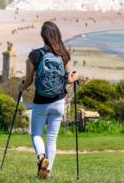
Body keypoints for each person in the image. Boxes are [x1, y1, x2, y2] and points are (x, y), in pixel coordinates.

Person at [19, 21, 79, 179]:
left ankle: (41, 157)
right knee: (52, 138)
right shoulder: (64, 54)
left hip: (40, 101)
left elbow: (29, 81)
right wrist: (75, 77)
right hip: (59, 101)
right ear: (57, 35)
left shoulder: (34, 55)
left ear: (42, 36)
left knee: (36, 134)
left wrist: (21, 87)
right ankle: (47, 171)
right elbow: (68, 80)